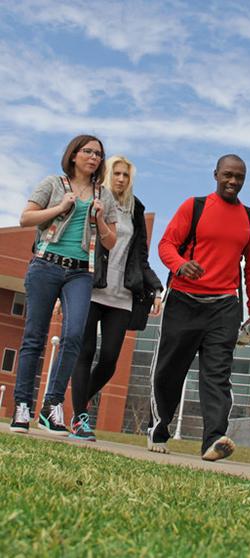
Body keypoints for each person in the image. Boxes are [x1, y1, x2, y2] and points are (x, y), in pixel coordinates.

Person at [148, 154, 250, 461]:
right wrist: (181, 265)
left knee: (217, 374)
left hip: (225, 305)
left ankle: (213, 439)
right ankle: (159, 428)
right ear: (215, 174)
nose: (233, 181)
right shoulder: (194, 206)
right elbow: (166, 244)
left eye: (239, 177)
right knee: (171, 370)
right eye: (228, 175)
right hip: (184, 300)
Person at [10, 135, 117, 435]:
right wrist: (59, 207)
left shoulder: (103, 196)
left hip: (80, 272)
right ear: (73, 155)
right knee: (34, 337)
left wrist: (100, 219)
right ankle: (22, 405)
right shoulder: (53, 184)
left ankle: (51, 406)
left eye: (98, 153)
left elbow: (111, 241)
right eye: (88, 152)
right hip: (45, 265)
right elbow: (25, 218)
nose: (94, 157)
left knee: (73, 337)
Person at [70, 155, 163, 441]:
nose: (121, 179)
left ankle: (78, 403)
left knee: (109, 360)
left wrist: (157, 289)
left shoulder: (136, 210)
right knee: (84, 354)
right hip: (91, 289)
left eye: (126, 175)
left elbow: (141, 257)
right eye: (117, 173)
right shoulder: (94, 202)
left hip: (121, 296)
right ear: (108, 174)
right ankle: (80, 419)